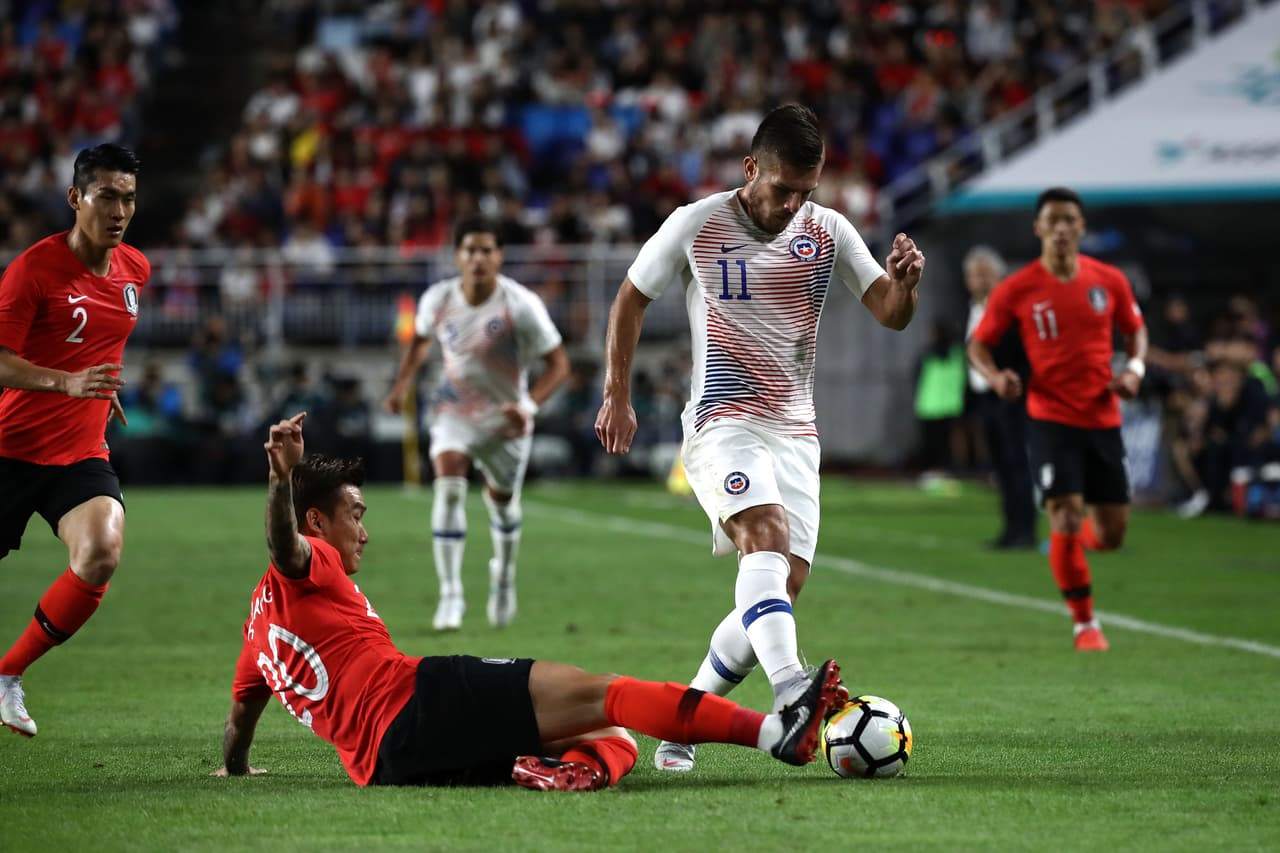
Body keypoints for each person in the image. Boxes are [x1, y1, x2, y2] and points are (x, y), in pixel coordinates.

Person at [213, 413, 844, 791]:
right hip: (422, 697)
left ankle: (568, 770)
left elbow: (240, 720)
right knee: (610, 693)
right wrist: (280, 480)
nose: (364, 531)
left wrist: (235, 769)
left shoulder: (255, 633)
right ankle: (775, 733)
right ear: (316, 523)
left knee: (612, 738)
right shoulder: (311, 563)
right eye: (356, 514)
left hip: (389, 764)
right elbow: (284, 548)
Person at [593, 104, 925, 772]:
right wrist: (617, 392)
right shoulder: (697, 223)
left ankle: (683, 719)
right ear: (750, 168)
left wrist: (905, 285)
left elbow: (890, 313)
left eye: (806, 190)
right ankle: (793, 688)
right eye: (782, 189)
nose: (793, 205)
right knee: (764, 536)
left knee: (778, 589)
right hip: (722, 419)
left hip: (795, 430)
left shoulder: (828, 230)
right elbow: (630, 297)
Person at [0, 143, 149, 736]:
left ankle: (7, 676)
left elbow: (98, 342)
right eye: (106, 196)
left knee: (101, 551)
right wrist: (66, 382)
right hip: (8, 449)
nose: (119, 211)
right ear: (75, 198)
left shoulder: (135, 270)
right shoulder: (32, 271)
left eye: (128, 198)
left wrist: (100, 388)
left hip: (79, 453)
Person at [968, 187, 1148, 652]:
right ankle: (1085, 624)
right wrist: (996, 376)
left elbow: (1136, 330)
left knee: (1111, 533)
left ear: (1081, 227)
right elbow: (978, 345)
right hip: (1049, 419)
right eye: (1053, 220)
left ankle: (1074, 542)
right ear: (1039, 228)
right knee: (1064, 513)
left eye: (1070, 219)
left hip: (1103, 418)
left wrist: (1134, 369)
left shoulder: (1108, 280)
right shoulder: (1017, 288)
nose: (1062, 228)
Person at [384, 216, 570, 630]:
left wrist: (528, 406)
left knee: (502, 504)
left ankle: (502, 577)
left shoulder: (520, 305)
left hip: (506, 419)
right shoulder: (438, 299)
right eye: (470, 250)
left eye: (487, 250)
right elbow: (419, 342)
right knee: (448, 485)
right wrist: (401, 386)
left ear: (499, 256)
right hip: (454, 410)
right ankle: (450, 595)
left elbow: (559, 365)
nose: (478, 258)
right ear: (457, 256)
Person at [963, 246, 1037, 548]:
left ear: (999, 276)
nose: (979, 280)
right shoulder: (970, 308)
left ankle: (1025, 531)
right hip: (984, 399)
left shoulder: (1010, 310)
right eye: (974, 275)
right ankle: (1010, 530)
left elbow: (1024, 353)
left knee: (1017, 463)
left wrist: (1017, 388)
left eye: (985, 274)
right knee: (1001, 466)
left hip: (1009, 397)